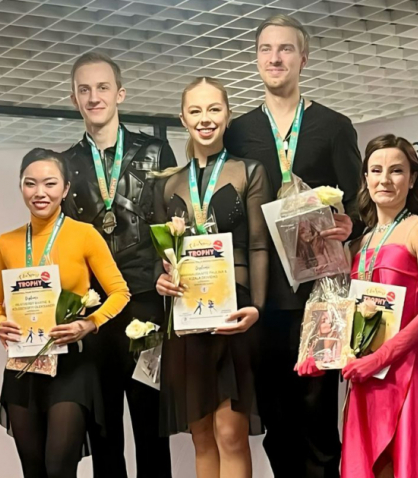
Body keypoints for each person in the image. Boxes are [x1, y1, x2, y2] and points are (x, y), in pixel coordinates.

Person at [224, 14, 362, 477]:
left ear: (303, 59)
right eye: (266, 49)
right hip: (263, 300)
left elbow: (359, 201)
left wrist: (351, 225)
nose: (275, 58)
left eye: (285, 49)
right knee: (276, 418)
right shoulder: (238, 132)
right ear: (256, 59)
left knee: (318, 414)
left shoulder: (334, 125)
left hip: (320, 295)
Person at [62, 52, 176, 477]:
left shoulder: (155, 150)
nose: (94, 97)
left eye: (103, 87)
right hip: (94, 311)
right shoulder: (66, 164)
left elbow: (174, 225)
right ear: (74, 98)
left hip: (146, 302)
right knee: (104, 429)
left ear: (120, 93)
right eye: (85, 89)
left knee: (151, 429)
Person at [320, 134, 418, 478]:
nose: (385, 179)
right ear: (365, 179)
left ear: (412, 178)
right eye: (376, 170)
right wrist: (320, 351)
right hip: (365, 379)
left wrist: (382, 357)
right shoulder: (359, 242)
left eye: (396, 171)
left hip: (408, 373)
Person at [154, 77, 271, 478]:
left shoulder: (249, 171)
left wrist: (257, 306)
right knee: (201, 436)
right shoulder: (166, 183)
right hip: (186, 318)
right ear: (183, 118)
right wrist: (160, 280)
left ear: (228, 114)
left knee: (230, 434)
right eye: (196, 111)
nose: (205, 119)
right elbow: (161, 256)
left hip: (233, 316)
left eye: (214, 109)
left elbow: (259, 245)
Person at [0, 148, 130, 478]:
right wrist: (0, 324)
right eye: (31, 183)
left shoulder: (84, 234)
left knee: (59, 468)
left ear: (65, 189)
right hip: (23, 366)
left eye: (50, 183)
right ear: (21, 187)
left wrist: (89, 323)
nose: (40, 192)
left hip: (71, 368)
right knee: (34, 470)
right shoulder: (4, 243)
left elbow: (120, 292)